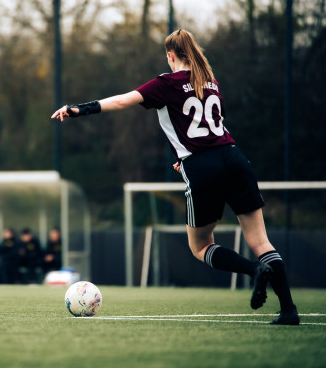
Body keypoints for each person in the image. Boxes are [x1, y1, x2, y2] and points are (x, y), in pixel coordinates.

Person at [51, 28, 299, 325]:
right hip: (234, 158)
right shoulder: (210, 81)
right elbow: (213, 128)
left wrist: (77, 109)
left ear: (170, 55)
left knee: (200, 246)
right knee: (260, 241)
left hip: (202, 166)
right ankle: (289, 310)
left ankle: (254, 270)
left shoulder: (166, 83)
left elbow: (121, 102)